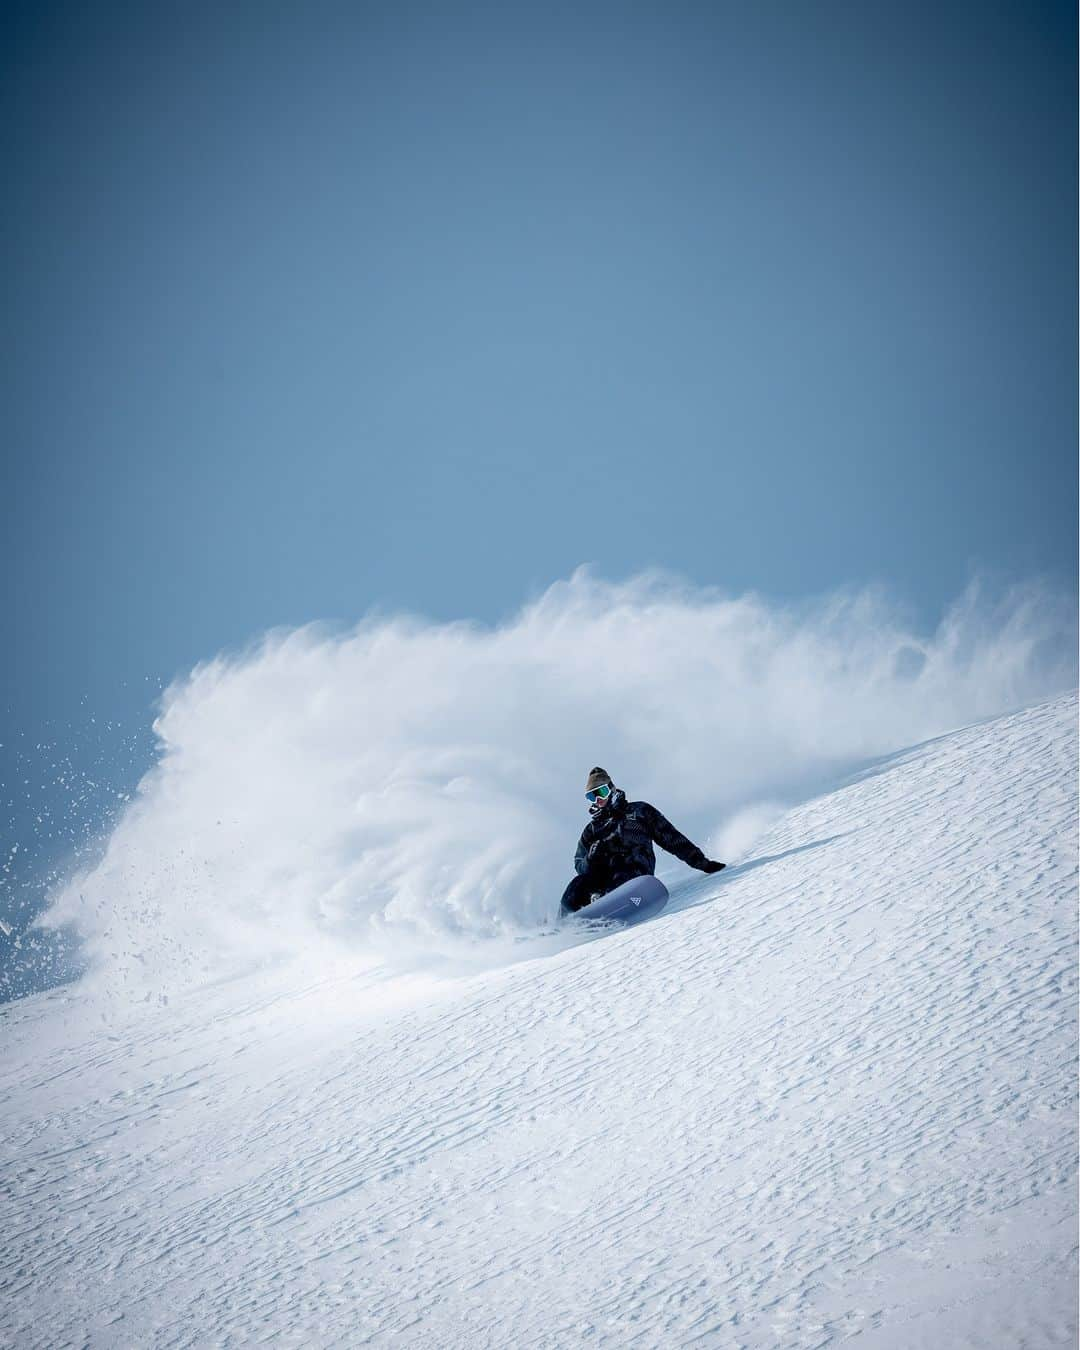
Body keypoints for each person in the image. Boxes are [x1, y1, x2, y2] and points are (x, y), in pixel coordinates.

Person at [560, 766, 726, 914]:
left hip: (634, 872)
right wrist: (590, 858)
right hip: (603, 878)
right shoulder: (592, 830)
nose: (598, 800)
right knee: (578, 884)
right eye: (592, 796)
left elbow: (671, 838)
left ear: (611, 789)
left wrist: (703, 863)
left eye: (601, 793)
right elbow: (579, 864)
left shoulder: (639, 812)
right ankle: (564, 923)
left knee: (622, 869)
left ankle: (606, 900)